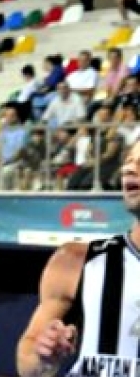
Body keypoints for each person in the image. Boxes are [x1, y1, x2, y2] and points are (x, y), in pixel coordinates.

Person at [16, 139, 140, 377]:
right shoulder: (75, 261)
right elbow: (27, 363)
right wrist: (44, 355)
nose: (129, 169)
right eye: (129, 161)